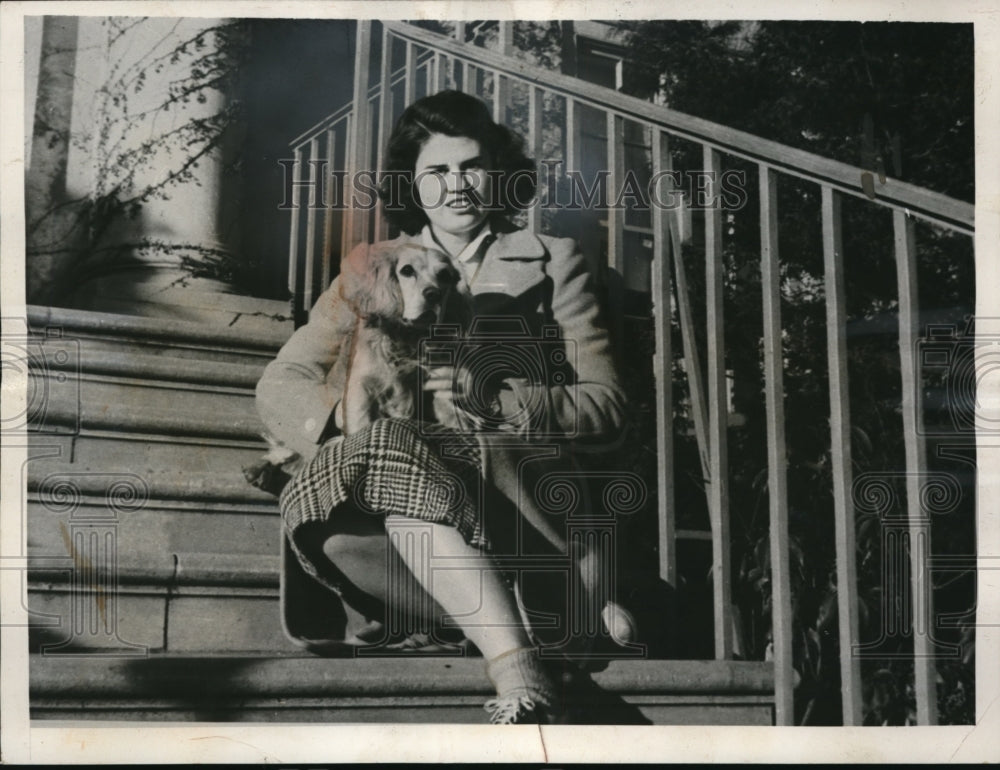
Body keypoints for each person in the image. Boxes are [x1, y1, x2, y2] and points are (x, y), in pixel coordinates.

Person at [256, 90, 632, 724]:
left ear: (497, 173)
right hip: (386, 526)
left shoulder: (555, 262)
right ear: (413, 181)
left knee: (403, 467)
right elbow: (283, 379)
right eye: (436, 170)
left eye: (472, 166)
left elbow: (606, 404)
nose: (456, 185)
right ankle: (523, 639)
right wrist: (343, 431)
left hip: (511, 506)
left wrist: (501, 398)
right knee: (383, 461)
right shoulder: (371, 267)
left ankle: (507, 643)